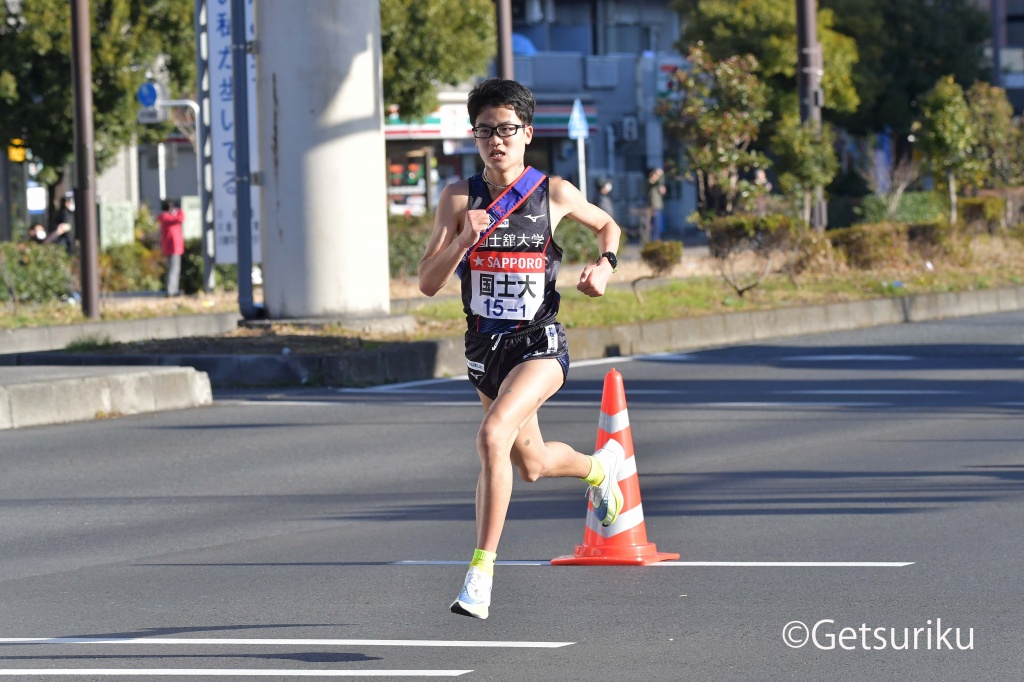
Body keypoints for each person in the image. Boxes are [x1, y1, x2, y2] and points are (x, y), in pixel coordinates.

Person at [418, 78, 626, 620]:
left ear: (528, 133)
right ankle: (601, 468)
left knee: (492, 435)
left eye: (507, 129)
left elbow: (608, 225)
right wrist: (463, 239)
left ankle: (480, 572)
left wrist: (605, 266)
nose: (496, 140)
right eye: (485, 131)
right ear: (474, 136)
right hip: (486, 350)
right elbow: (425, 281)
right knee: (530, 464)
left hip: (540, 344)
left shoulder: (552, 192)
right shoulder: (459, 198)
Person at [158, 199, 185, 296]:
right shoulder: (166, 217)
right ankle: (171, 290)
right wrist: (180, 210)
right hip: (173, 247)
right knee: (173, 269)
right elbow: (180, 218)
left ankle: (173, 289)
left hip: (173, 247)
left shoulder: (165, 217)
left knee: (174, 269)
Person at [646, 167, 666, 242]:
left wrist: (661, 175)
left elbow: (662, 188)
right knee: (653, 226)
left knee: (658, 226)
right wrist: (660, 175)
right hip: (652, 207)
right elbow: (653, 182)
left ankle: (656, 241)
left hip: (658, 207)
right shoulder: (650, 183)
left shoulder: (657, 185)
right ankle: (653, 241)